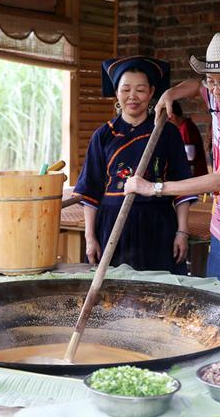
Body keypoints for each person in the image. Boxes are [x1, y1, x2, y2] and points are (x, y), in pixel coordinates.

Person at [125, 32, 220, 290]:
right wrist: (170, 94)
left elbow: (218, 181)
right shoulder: (217, 99)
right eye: (212, 80)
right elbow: (195, 86)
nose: (216, 91)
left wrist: (153, 188)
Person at [73, 56, 196, 275]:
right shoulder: (103, 135)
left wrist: (182, 232)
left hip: (158, 225)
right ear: (116, 93)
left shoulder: (167, 133)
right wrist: (90, 237)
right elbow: (90, 192)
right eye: (126, 89)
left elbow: (182, 186)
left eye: (140, 90)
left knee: (160, 295)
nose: (132, 96)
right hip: (112, 228)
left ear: (151, 93)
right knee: (113, 297)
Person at [169, 101, 209, 176]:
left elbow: (190, 156)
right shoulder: (183, 126)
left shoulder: (186, 128)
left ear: (172, 117)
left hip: (195, 174)